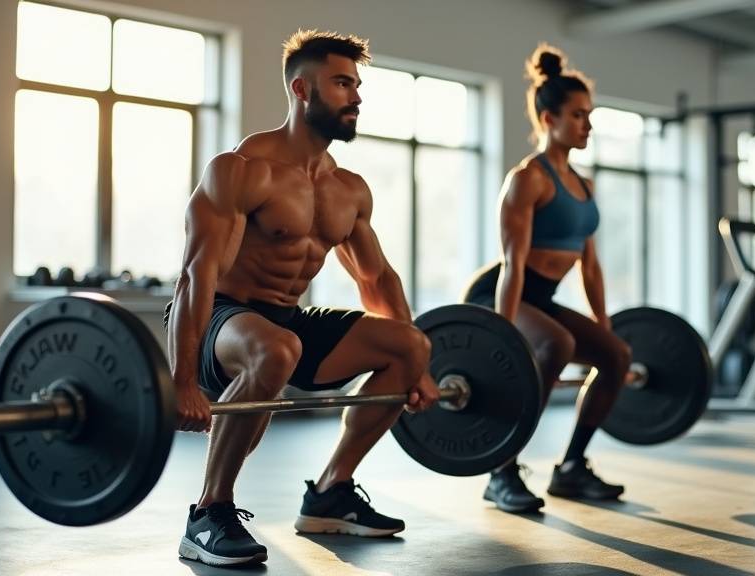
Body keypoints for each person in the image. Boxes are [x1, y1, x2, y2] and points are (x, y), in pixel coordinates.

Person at [165, 29, 440, 567]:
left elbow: (377, 279)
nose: (356, 97)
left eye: (357, 85)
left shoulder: (349, 188)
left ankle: (331, 494)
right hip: (217, 320)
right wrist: (182, 380)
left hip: (284, 322)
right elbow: (196, 276)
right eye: (342, 84)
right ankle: (207, 513)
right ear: (301, 90)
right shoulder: (242, 170)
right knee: (277, 348)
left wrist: (418, 369)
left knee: (408, 345)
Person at [463, 45, 632, 514]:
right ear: (547, 117)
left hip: (543, 298)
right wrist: (502, 333)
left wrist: (604, 325)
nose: (588, 126)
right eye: (579, 116)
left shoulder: (583, 185)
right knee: (553, 344)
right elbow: (513, 265)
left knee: (615, 355)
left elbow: (590, 266)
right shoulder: (527, 179)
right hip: (499, 293)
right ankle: (501, 471)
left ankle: (572, 468)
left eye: (589, 115)